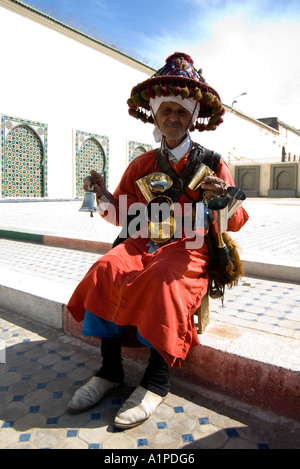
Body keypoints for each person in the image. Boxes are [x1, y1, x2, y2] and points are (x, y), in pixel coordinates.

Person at [66, 52, 249, 429]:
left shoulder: (212, 162)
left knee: (163, 277)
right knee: (106, 267)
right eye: (166, 110)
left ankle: (156, 379)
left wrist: (223, 199)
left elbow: (237, 220)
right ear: (156, 114)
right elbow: (122, 214)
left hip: (188, 248)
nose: (173, 118)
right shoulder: (141, 165)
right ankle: (110, 370)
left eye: (181, 112)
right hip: (141, 243)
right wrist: (100, 195)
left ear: (192, 116)